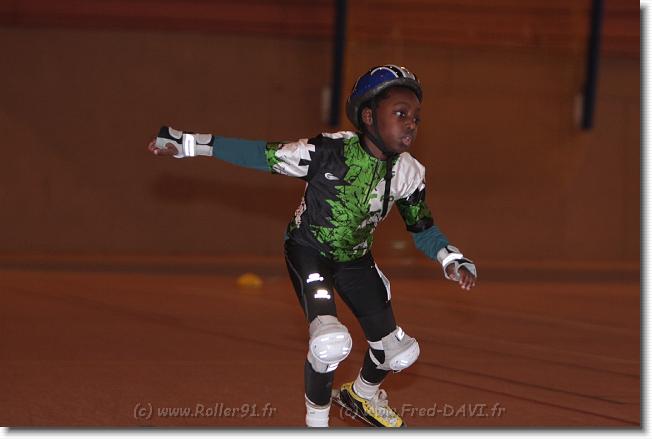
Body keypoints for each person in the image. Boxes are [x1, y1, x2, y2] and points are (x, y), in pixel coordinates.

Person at [147, 64, 477, 428]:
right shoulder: (326, 152)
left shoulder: (409, 173)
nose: (411, 124)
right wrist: (188, 143)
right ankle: (316, 424)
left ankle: (360, 397)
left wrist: (451, 258)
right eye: (401, 114)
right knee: (330, 341)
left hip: (355, 260)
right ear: (368, 116)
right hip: (309, 252)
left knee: (398, 352)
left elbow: (422, 226)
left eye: (416, 117)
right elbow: (259, 154)